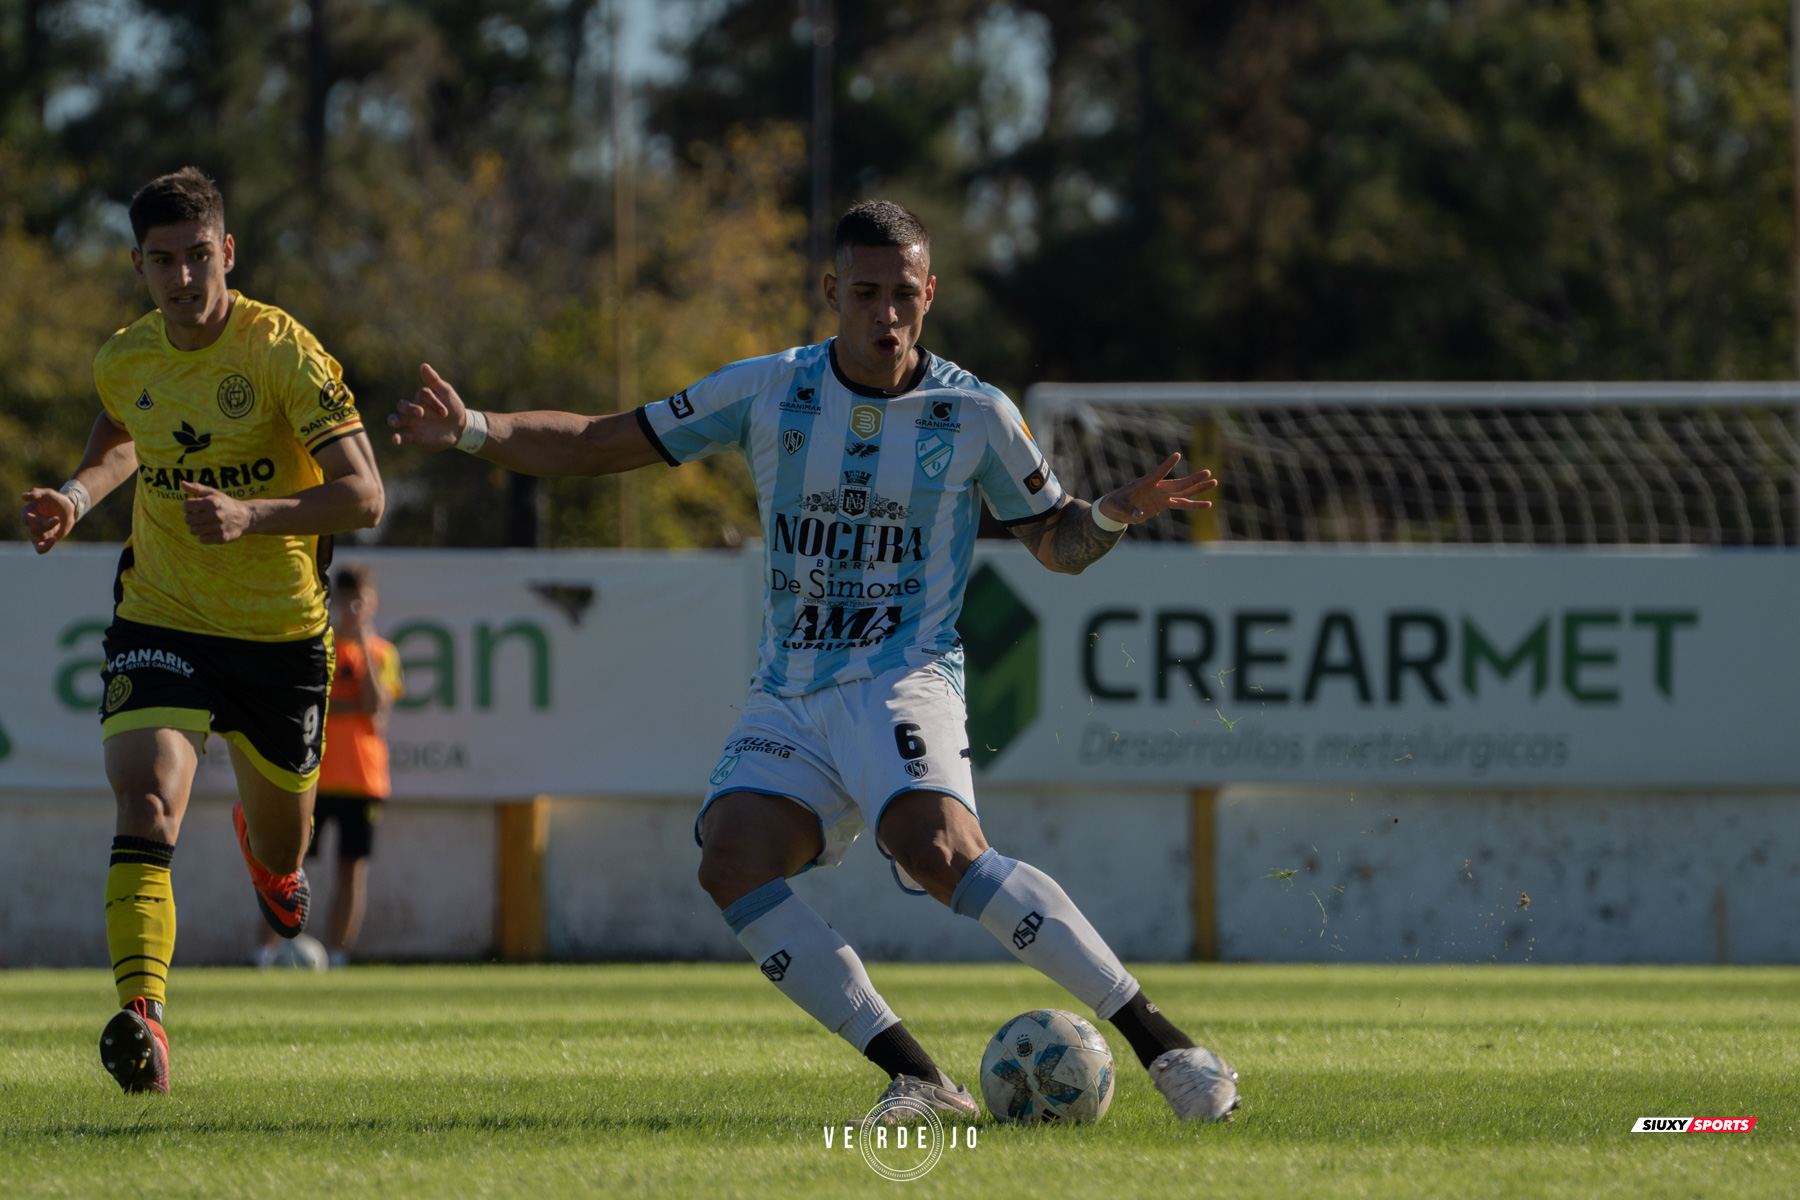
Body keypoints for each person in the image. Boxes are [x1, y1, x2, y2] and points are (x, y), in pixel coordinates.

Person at [389, 200, 1238, 1122]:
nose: (885, 314)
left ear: (929, 294)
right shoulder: (767, 389)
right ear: (832, 291)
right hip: (790, 691)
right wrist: (474, 426)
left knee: (941, 851)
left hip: (904, 674)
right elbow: (601, 440)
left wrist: (1110, 513)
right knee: (732, 860)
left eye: (902, 294)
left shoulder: (976, 412)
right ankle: (921, 1080)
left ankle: (1170, 1049)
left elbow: (1058, 544)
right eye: (864, 292)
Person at [19, 167, 384, 1094]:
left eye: (197, 259)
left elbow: (365, 494)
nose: (182, 280)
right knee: (144, 799)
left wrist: (253, 516)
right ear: (137, 264)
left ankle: (270, 864)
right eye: (161, 262)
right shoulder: (127, 356)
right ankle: (143, 1017)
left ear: (228, 252)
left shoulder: (284, 354)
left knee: (284, 848)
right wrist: (75, 495)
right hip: (163, 614)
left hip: (278, 635)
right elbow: (121, 437)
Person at [256, 564, 401, 968]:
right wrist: (346, 707)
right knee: (286, 867)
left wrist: (365, 642)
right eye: (346, 601)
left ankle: (337, 956)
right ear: (334, 602)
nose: (352, 609)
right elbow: (311, 706)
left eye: (360, 601)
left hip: (364, 780)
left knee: (351, 872)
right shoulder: (321, 645)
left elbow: (375, 707)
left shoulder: (383, 653)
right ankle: (265, 952)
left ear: (372, 603)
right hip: (314, 776)